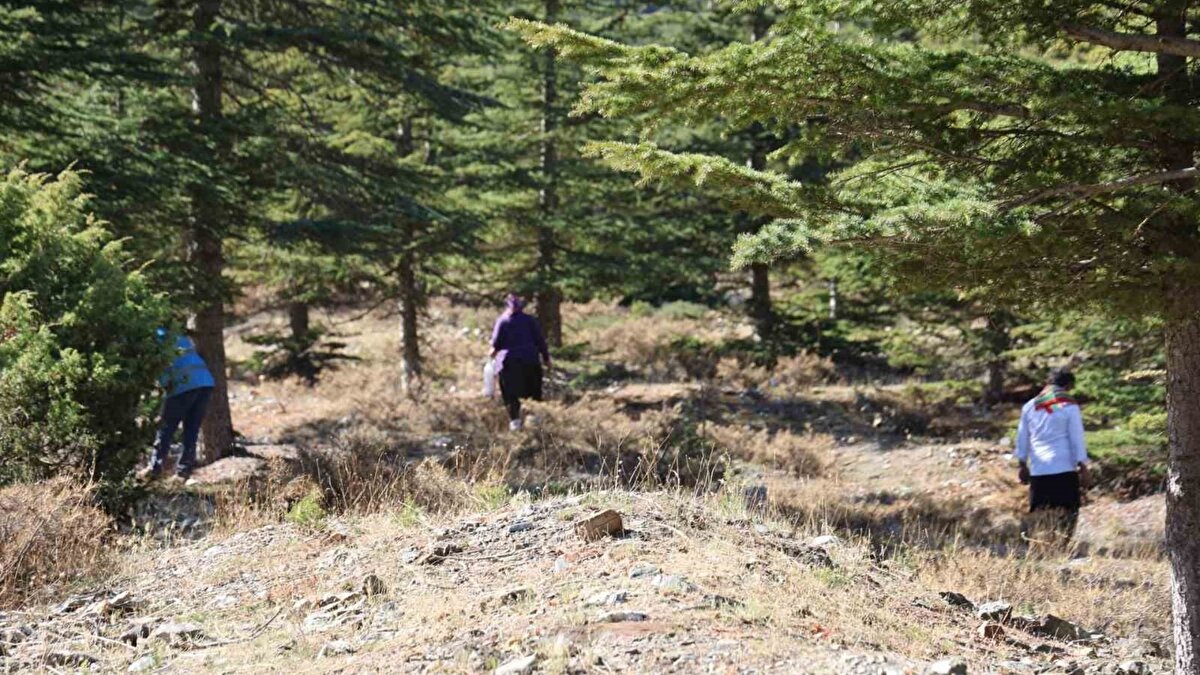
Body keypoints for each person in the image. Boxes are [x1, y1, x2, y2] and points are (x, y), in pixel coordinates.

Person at [1014, 367, 1090, 536]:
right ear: (1069, 385)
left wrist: (1022, 464)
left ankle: (1035, 546)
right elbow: (1076, 438)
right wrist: (1083, 466)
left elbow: (1022, 438)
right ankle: (1062, 547)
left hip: (1039, 468)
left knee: (1039, 510)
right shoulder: (1069, 406)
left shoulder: (1029, 406)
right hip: (1064, 467)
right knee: (1069, 510)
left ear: (1047, 383)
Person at [142, 328, 215, 480]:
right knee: (191, 428)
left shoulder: (150, 340)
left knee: (166, 426)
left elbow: (154, 367)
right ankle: (184, 471)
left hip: (184, 384)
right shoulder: (174, 333)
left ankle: (154, 468)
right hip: (205, 381)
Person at [490, 294, 551, 430]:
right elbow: (540, 341)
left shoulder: (502, 321)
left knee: (511, 396)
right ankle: (534, 426)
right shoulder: (530, 321)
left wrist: (492, 355)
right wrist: (546, 359)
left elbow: (495, 343)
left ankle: (515, 424)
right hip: (531, 361)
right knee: (534, 394)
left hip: (508, 364)